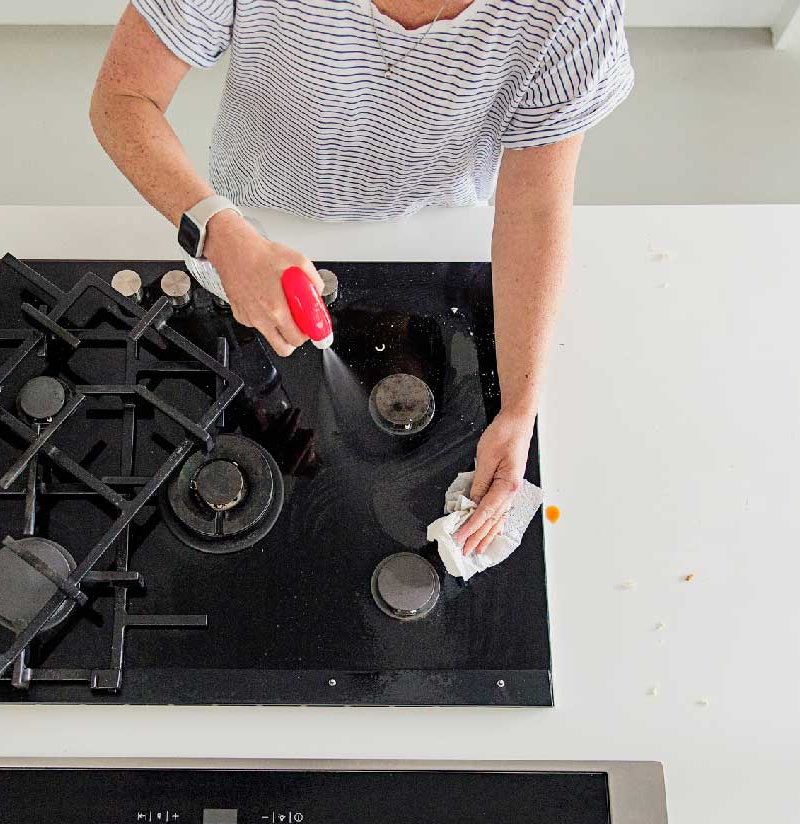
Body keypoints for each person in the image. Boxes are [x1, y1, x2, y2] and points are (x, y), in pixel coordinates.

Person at [90, 0, 632, 555]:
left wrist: (518, 411)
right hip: (254, 225)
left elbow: (536, 209)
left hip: (438, 236)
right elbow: (123, 99)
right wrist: (218, 231)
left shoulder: (571, 12)